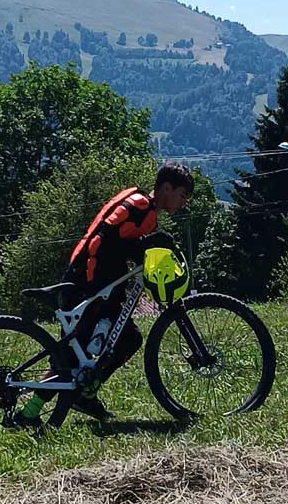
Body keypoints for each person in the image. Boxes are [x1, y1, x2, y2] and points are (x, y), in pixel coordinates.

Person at [17, 161, 194, 426]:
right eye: (182, 195)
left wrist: (147, 248)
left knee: (127, 339)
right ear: (167, 188)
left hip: (98, 285)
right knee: (72, 358)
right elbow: (107, 237)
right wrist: (145, 245)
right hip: (86, 282)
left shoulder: (145, 210)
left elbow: (124, 244)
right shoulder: (138, 206)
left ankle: (85, 394)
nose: (183, 203)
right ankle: (29, 414)